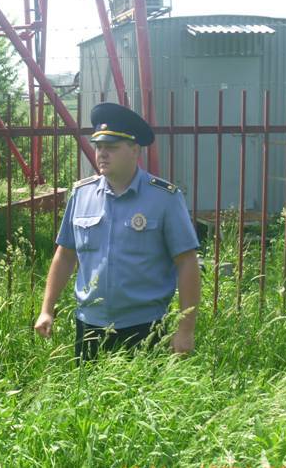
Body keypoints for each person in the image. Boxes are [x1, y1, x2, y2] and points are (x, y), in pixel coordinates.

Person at [33, 102, 201, 361]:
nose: (102, 154)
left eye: (111, 147)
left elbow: (186, 261)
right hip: (89, 325)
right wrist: (47, 309)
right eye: (99, 146)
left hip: (145, 327)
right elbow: (65, 255)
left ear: (135, 150)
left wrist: (185, 330)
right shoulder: (82, 194)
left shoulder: (164, 198)